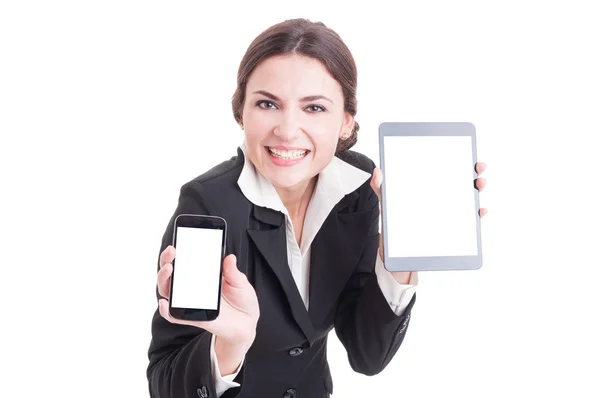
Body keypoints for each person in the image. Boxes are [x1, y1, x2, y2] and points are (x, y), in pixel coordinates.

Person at [146, 18, 488, 398]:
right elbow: (164, 380)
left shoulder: (359, 188)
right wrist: (229, 346)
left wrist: (400, 254)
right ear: (241, 111)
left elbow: (367, 355)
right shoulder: (208, 206)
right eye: (267, 103)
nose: (288, 130)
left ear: (346, 122)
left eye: (314, 108)